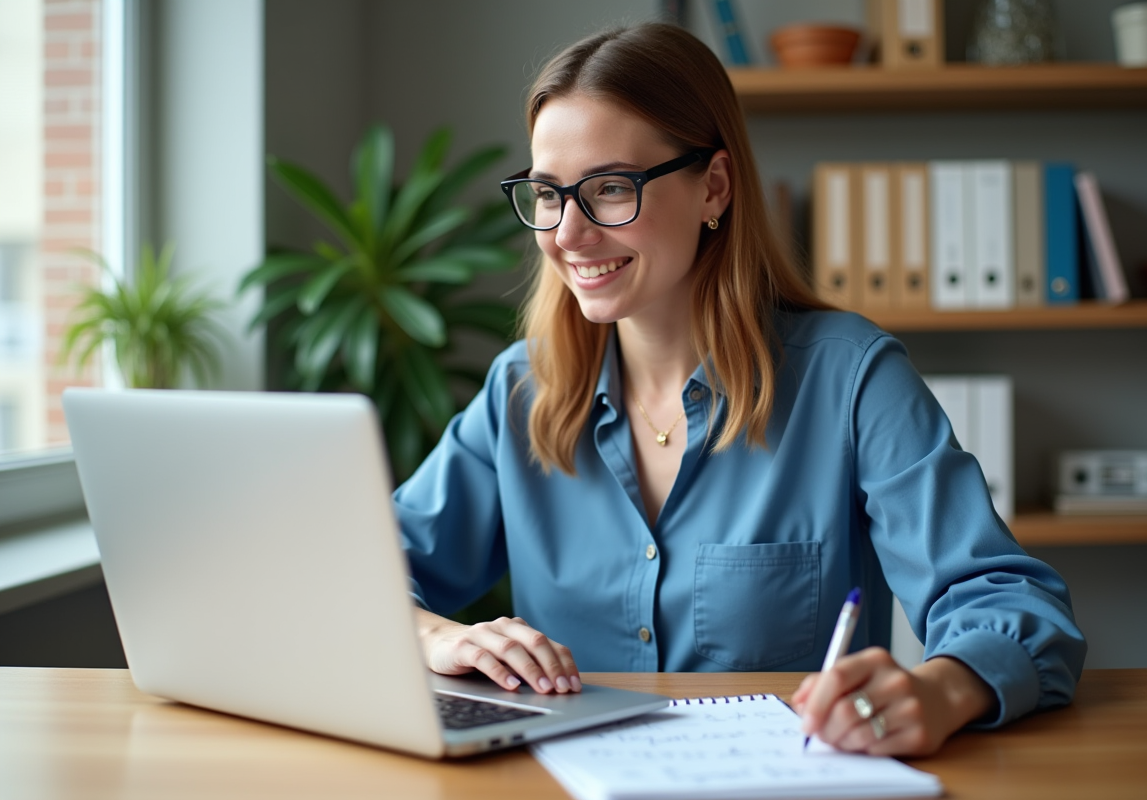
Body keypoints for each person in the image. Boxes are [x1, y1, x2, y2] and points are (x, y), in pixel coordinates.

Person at [394, 23, 1086, 757]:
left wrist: (937, 690)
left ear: (713, 187)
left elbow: (1012, 603)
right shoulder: (519, 392)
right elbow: (368, 571)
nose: (568, 233)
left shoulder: (851, 380)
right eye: (546, 194)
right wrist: (436, 635)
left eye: (609, 189)